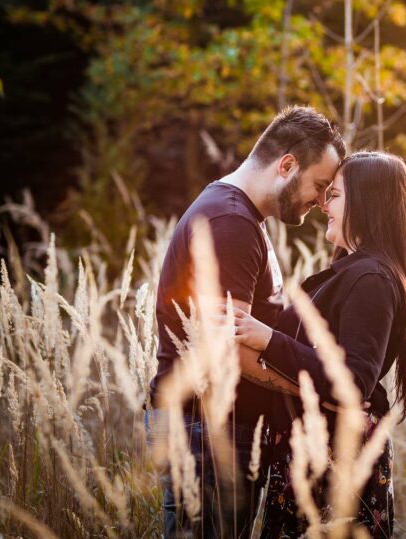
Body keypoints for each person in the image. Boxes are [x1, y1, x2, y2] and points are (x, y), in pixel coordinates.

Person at [146, 106, 345, 538]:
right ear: (287, 165)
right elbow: (232, 353)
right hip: (208, 431)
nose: (322, 201)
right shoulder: (230, 223)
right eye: (321, 185)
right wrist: (323, 394)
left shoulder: (237, 216)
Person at [233, 151, 406, 538]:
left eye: (335, 195)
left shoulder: (371, 278)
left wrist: (270, 340)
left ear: (367, 202)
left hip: (335, 460)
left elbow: (354, 380)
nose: (324, 205)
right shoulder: (354, 273)